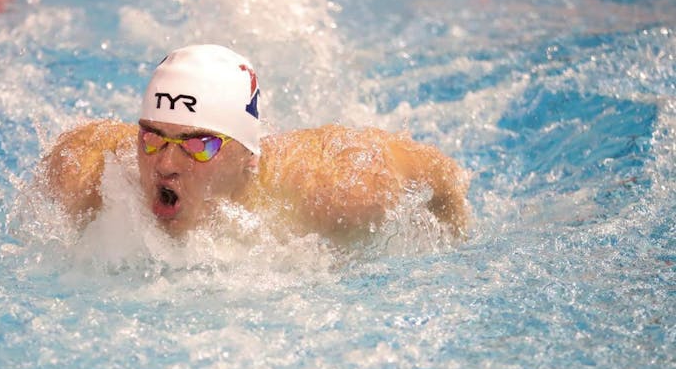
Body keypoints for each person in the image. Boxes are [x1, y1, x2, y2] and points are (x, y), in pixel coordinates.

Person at [38, 44, 470, 243]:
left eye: (198, 145)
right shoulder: (89, 172)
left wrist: (455, 240)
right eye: (152, 138)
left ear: (247, 154)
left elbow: (443, 175)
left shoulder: (336, 187)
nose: (166, 163)